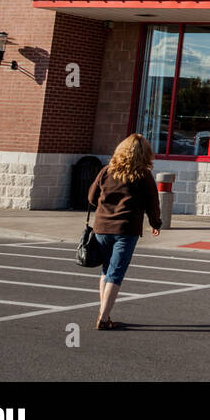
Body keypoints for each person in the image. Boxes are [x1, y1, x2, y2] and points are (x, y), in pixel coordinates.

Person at [87, 133, 162, 330]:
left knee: (106, 270)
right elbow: (152, 203)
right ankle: (103, 318)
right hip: (126, 228)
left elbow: (91, 197)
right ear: (144, 153)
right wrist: (156, 223)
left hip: (102, 226)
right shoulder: (143, 175)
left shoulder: (106, 171)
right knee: (116, 272)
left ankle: (105, 314)